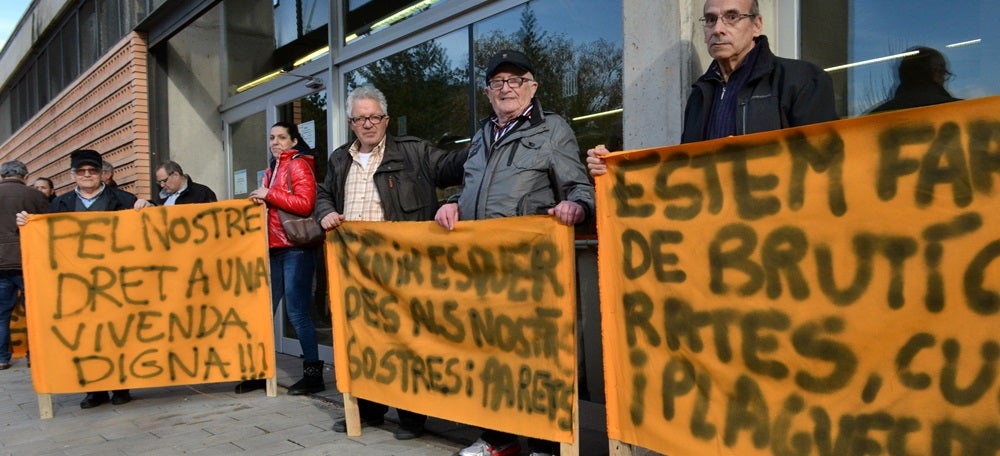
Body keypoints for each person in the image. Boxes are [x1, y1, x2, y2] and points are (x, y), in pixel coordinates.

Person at [434, 49, 595, 456]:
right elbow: (475, 186)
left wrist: (578, 206)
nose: (506, 88)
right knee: (488, 355)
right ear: (488, 92)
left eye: (515, 80)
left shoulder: (552, 129)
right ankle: (498, 439)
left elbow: (579, 186)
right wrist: (453, 202)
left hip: (529, 269)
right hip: (480, 267)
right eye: (497, 82)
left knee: (536, 358)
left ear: (532, 87)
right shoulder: (481, 134)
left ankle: (545, 445)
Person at [315, 85, 468, 440]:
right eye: (360, 119)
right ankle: (370, 411)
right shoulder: (339, 159)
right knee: (364, 342)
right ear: (351, 124)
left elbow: (454, 166)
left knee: (405, 342)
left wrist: (488, 141)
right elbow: (323, 193)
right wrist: (325, 212)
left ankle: (412, 416)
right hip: (356, 271)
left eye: (375, 117)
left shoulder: (415, 152)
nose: (368, 124)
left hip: (403, 269)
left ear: (386, 120)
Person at [586, 0, 837, 172]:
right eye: (710, 19)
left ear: (757, 25)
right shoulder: (700, 94)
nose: (718, 29)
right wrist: (616, 168)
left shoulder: (802, 80)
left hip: (775, 228)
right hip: (713, 228)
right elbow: (683, 171)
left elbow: (824, 165)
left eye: (732, 17)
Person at [16, 149, 137, 408]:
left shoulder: (124, 199)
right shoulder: (59, 204)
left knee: (117, 334)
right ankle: (95, 390)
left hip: (116, 281)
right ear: (73, 175)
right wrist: (27, 224)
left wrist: (147, 207)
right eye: (81, 171)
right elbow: (43, 235)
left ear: (102, 174)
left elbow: (151, 226)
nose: (87, 175)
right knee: (86, 336)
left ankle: (121, 387)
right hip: (77, 285)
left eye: (92, 171)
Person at [239, 122, 324, 396]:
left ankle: (313, 374)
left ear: (294, 141)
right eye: (272, 138)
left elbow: (305, 204)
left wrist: (269, 195)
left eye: (282, 137)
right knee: (264, 312)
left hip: (296, 247)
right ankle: (260, 372)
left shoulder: (298, 164)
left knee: (296, 312)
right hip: (275, 248)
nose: (275, 142)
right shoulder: (272, 169)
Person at [0, 161, 49, 370]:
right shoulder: (35, 196)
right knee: (34, 310)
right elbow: (48, 225)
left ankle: (2, 358)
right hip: (28, 260)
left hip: (1, 263)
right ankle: (33, 355)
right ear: (26, 177)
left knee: (2, 313)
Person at [869, 46, 961, 114]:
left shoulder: (873, 117)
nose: (944, 80)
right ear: (937, 72)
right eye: (944, 73)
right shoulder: (959, 111)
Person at [134, 161, 218, 207]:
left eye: (164, 181)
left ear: (176, 175)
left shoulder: (202, 193)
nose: (162, 185)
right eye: (159, 182)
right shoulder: (162, 196)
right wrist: (149, 205)